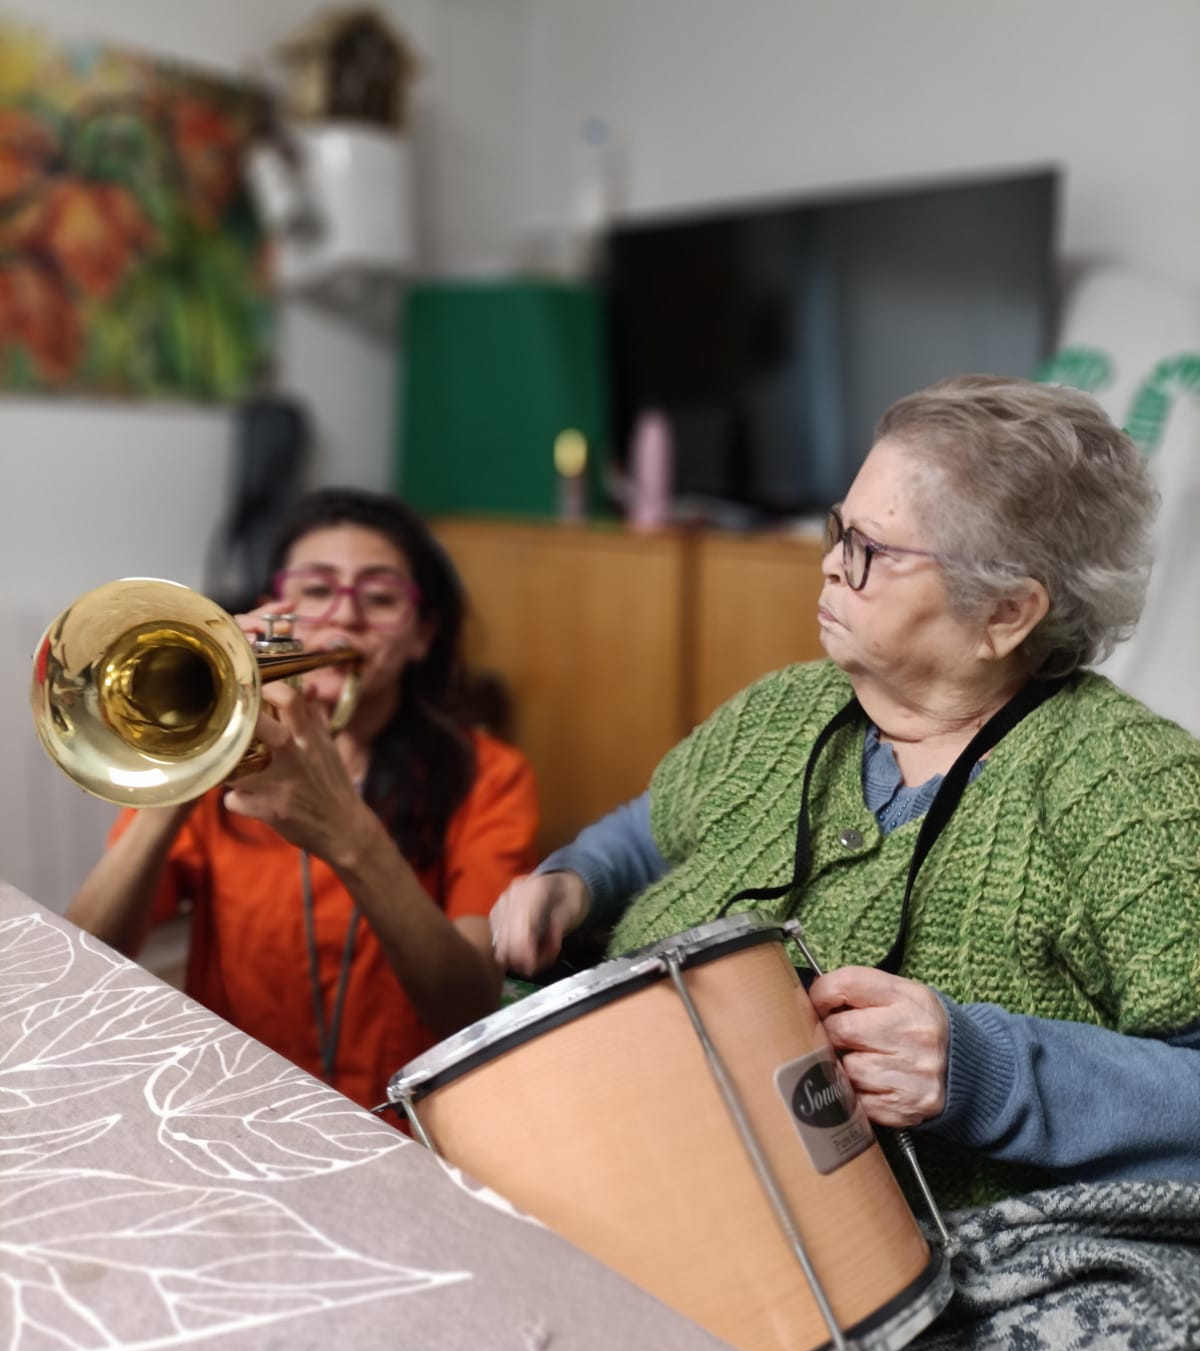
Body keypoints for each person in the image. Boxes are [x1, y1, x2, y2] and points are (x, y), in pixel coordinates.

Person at [490, 376, 1200, 1212]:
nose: (828, 562)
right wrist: (575, 882)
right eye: (838, 529)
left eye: (871, 549)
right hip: (629, 1173)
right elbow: (654, 831)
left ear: (1006, 613)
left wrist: (984, 1071)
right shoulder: (787, 709)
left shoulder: (1127, 787)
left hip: (919, 1282)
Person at [68, 487, 538, 1111]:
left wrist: (350, 831)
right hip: (233, 1102)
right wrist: (187, 763)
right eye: (316, 590)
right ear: (275, 612)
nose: (343, 618)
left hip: (409, 1117)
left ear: (423, 635)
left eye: (379, 598)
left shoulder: (489, 774)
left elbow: (470, 1004)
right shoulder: (226, 757)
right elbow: (84, 962)